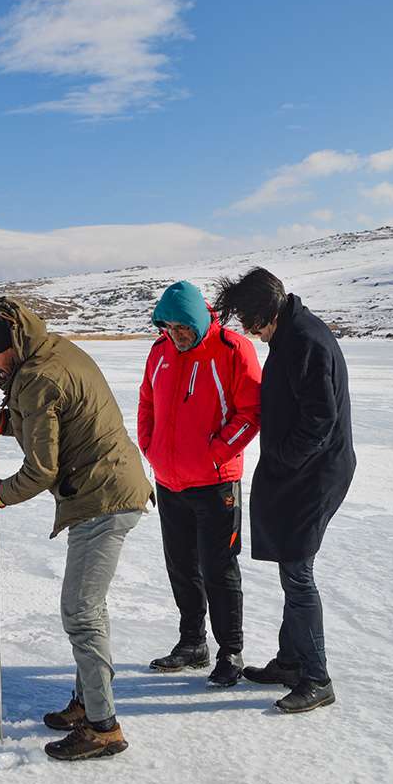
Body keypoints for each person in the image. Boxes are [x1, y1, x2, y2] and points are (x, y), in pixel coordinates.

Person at [0, 297, 154, 760]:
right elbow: (60, 420)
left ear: (10, 344)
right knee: (89, 609)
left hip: (102, 498)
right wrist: (7, 421)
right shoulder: (52, 353)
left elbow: (41, 470)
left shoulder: (36, 376)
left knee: (81, 611)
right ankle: (86, 701)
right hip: (110, 488)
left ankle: (103, 727)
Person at [214, 268, 356, 713]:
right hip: (303, 471)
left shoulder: (305, 341)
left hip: (315, 475)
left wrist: (283, 461)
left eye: (248, 321)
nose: (246, 330)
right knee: (291, 569)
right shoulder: (291, 333)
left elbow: (320, 420)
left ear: (265, 313)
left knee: (298, 573)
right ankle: (291, 661)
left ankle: (316, 678)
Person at [137, 281, 261, 686]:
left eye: (182, 327)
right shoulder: (160, 353)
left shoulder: (232, 349)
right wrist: (150, 447)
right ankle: (192, 643)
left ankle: (231, 651)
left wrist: (214, 453)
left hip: (216, 485)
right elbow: (147, 401)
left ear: (197, 319)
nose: (176, 335)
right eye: (168, 327)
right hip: (170, 482)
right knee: (181, 567)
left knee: (219, 569)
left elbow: (250, 414)